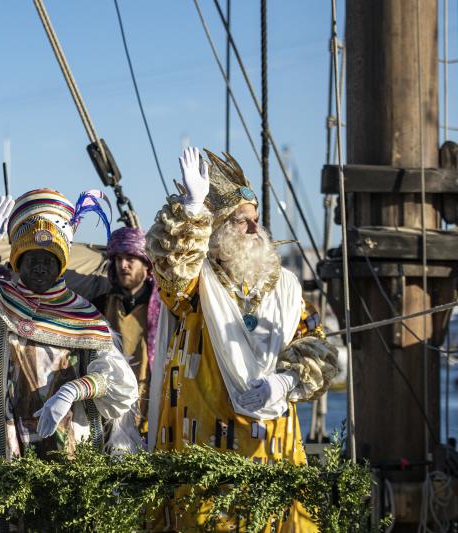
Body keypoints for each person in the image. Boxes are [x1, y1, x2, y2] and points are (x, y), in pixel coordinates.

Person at [145, 147, 338, 531]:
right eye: (241, 221)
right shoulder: (196, 286)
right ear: (216, 231)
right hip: (203, 448)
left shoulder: (284, 286)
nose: (255, 229)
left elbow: (318, 347)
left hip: (269, 445)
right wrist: (194, 209)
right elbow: (171, 265)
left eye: (256, 220)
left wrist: (287, 379)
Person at [0, 189, 139, 530]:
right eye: (31, 257)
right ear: (17, 260)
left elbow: (123, 384)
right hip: (8, 441)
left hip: (70, 448)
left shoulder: (84, 315)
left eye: (49, 257)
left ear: (61, 263)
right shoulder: (0, 302)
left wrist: (74, 391)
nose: (40, 265)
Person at [93, 227, 160, 440]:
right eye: (119, 259)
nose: (123, 265)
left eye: (131, 258)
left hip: (153, 409)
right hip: (111, 410)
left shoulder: (163, 309)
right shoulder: (100, 306)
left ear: (146, 264)